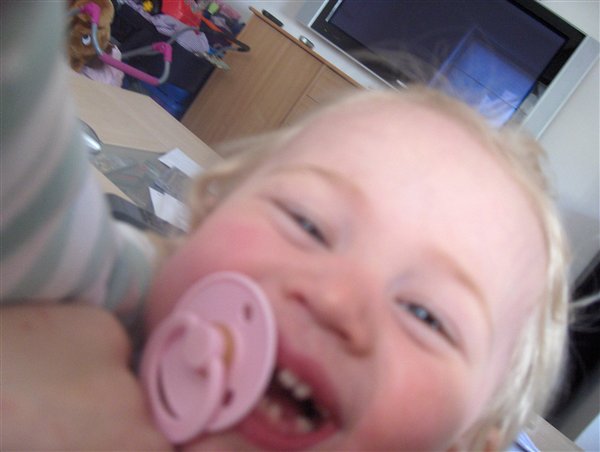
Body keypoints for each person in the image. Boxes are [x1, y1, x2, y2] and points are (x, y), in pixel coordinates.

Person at [1, 2, 571, 451]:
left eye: (426, 315)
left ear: (465, 444)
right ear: (206, 217)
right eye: (307, 224)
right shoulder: (99, 300)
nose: (333, 299)